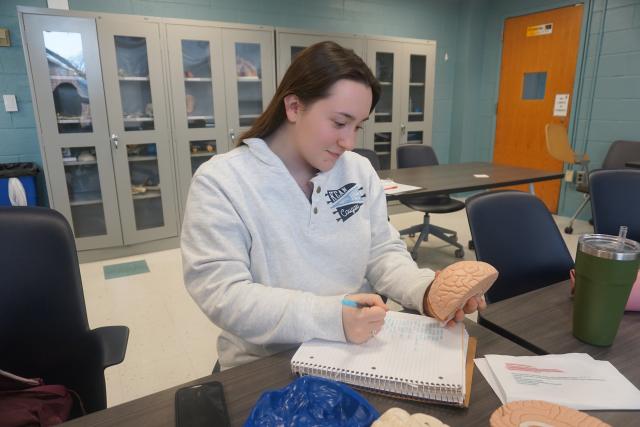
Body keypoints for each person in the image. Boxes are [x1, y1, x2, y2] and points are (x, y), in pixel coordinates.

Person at [181, 41, 485, 371]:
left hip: (358, 351)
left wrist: (426, 291)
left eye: (357, 126)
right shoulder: (222, 181)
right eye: (339, 123)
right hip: (267, 362)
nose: (349, 142)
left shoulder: (357, 171)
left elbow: (381, 251)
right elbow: (224, 295)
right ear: (294, 107)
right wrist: (331, 317)